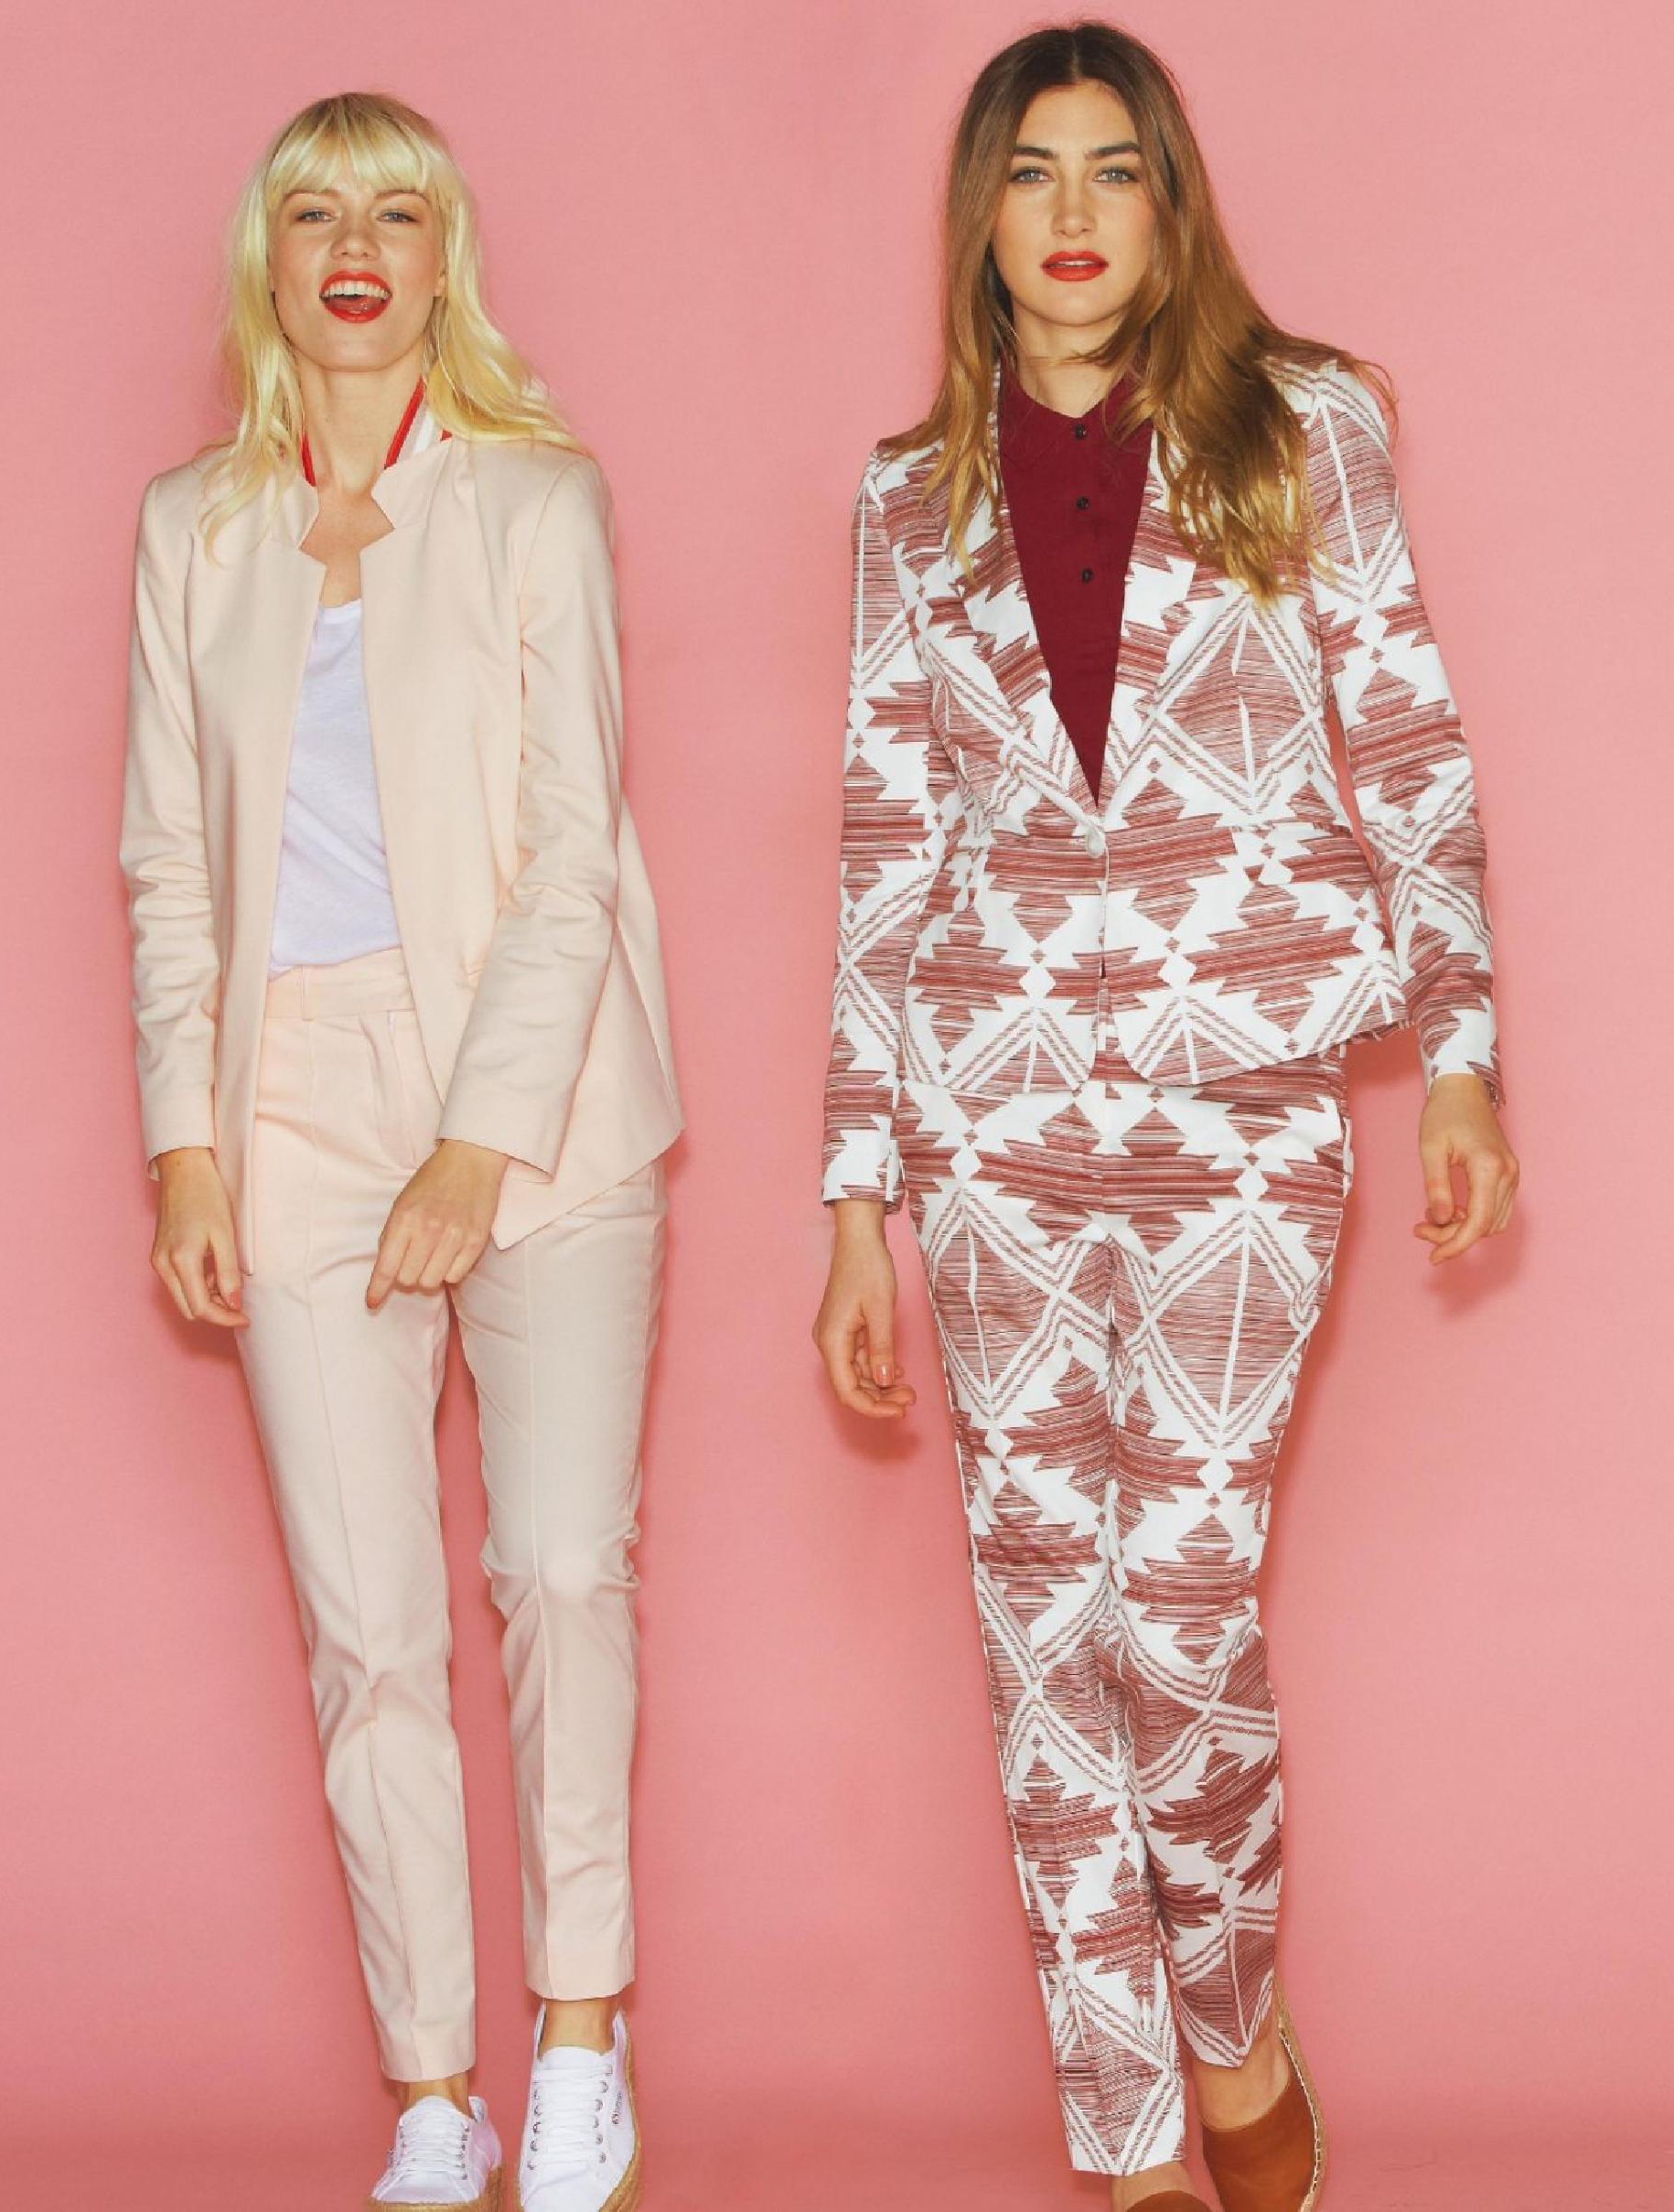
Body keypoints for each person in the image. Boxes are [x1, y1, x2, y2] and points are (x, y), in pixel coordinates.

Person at [813, 23, 1518, 2212]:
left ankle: (1226, 2012)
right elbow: (884, 846)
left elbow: (1405, 735)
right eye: (1032, 174)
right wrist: (853, 1191)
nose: (1073, 214)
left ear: (1168, 204)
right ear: (981, 217)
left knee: (1182, 1611)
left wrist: (1463, 1047)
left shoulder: (1304, 429)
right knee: (1042, 1634)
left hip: (1242, 1107)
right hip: (987, 1120)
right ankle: (1123, 2145)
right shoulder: (905, 500)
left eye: (1113, 170)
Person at [121, 91, 679, 2212]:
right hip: (291, 1101)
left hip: (543, 1096)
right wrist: (186, 1149)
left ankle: (580, 2044)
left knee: (560, 1570)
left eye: (396, 210)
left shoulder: (540, 501)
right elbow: (171, 862)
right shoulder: (192, 528)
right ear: (269, 261)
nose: (354, 246)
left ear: (446, 261)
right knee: (367, 1631)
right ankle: (436, 2094)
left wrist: (474, 1143)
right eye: (313, 212)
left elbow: (570, 859)